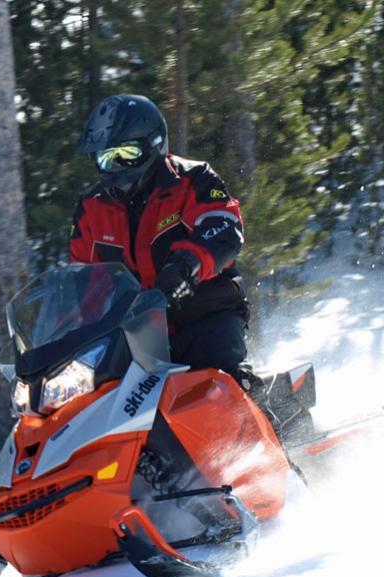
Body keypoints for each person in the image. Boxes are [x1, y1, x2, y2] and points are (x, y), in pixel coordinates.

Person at [69, 93, 252, 385]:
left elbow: (223, 227)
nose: (114, 166)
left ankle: (263, 418)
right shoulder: (91, 209)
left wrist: (187, 266)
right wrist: (68, 337)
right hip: (134, 338)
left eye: (125, 154)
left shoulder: (193, 179)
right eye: (106, 158)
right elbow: (81, 283)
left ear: (153, 144)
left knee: (216, 379)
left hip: (203, 316)